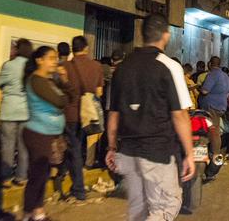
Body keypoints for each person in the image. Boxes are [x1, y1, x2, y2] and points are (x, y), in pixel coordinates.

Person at [106, 14, 194, 221]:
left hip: (127, 152)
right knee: (166, 206)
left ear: (142, 34)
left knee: (139, 210)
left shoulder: (122, 68)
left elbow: (114, 114)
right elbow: (180, 114)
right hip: (157, 152)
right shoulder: (170, 66)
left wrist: (111, 148)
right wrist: (189, 153)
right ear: (167, 35)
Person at [22, 46, 70, 221]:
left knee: (43, 174)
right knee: (37, 175)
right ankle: (28, 213)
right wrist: (64, 93)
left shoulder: (49, 81)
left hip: (49, 133)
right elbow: (60, 101)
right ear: (39, 60)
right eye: (50, 58)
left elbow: (68, 98)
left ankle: (38, 212)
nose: (55, 61)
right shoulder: (37, 81)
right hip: (38, 133)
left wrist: (64, 81)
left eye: (56, 58)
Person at [63, 36, 104, 200]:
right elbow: (99, 92)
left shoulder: (65, 66)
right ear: (86, 48)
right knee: (80, 148)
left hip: (71, 114)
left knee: (74, 148)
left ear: (73, 48)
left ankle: (78, 188)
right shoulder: (96, 66)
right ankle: (76, 183)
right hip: (88, 115)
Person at [0, 38, 33, 187]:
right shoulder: (32, 67)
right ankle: (22, 176)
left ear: (17, 49)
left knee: (7, 144)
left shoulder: (9, 66)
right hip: (26, 110)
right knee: (23, 145)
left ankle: (6, 178)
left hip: (9, 109)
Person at [200, 56, 229, 157]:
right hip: (221, 106)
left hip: (211, 107)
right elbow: (228, 92)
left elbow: (205, 91)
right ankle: (214, 153)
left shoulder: (212, 74)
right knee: (215, 130)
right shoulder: (225, 76)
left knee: (212, 131)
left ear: (210, 64)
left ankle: (214, 154)